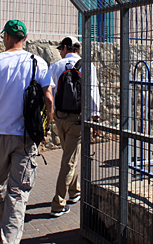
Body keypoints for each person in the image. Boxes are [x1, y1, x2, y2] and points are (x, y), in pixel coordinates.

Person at [0, 20, 54, 244]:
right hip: (24, 136)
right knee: (18, 191)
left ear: (7, 37)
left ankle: (5, 234)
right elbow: (49, 98)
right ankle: (10, 239)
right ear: (24, 38)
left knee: (2, 189)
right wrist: (46, 126)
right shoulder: (37, 62)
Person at [48, 36, 100, 217]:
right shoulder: (88, 66)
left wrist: (51, 116)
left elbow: (50, 93)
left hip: (60, 118)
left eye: (60, 49)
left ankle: (73, 192)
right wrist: (95, 117)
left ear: (65, 48)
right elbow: (93, 92)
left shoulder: (55, 66)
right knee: (69, 159)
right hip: (78, 119)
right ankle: (59, 203)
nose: (59, 52)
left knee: (69, 157)